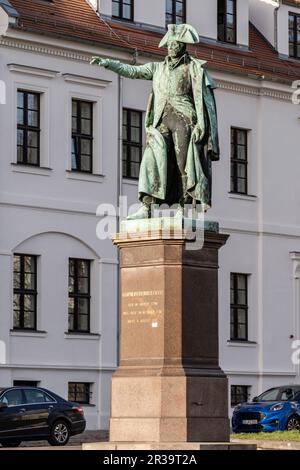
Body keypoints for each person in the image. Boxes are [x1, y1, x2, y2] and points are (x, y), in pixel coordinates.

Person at [91, 24, 220, 220]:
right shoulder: (157, 68)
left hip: (184, 119)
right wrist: (109, 63)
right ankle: (147, 206)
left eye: (175, 43)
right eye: (169, 43)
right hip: (161, 119)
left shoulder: (193, 69)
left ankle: (183, 208)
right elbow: (132, 71)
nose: (171, 46)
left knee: (183, 164)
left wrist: (202, 125)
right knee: (151, 159)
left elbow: (204, 100)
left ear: (183, 46)